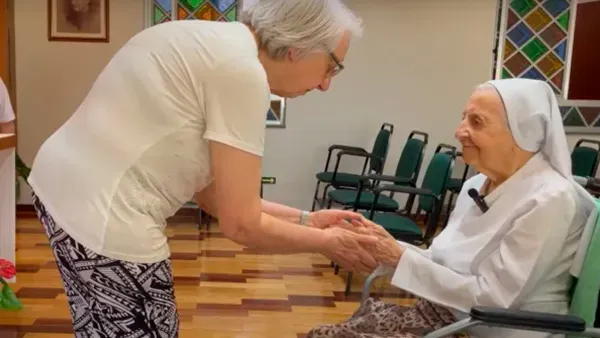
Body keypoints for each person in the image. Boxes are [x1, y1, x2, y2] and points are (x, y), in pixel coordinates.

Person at [26, 1, 378, 337]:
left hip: (58, 191)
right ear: (297, 47)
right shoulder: (241, 72)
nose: (325, 84)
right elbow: (241, 223)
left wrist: (308, 220)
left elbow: (215, 197)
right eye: (331, 67)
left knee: (97, 326)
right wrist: (328, 243)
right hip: (105, 221)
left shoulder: (204, 40)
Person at [307, 78, 598, 338]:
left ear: (522, 132)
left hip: (490, 329)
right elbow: (441, 259)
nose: (459, 132)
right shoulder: (480, 183)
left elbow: (492, 300)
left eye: (477, 122)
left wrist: (400, 259)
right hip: (447, 316)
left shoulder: (550, 201)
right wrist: (381, 244)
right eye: (463, 119)